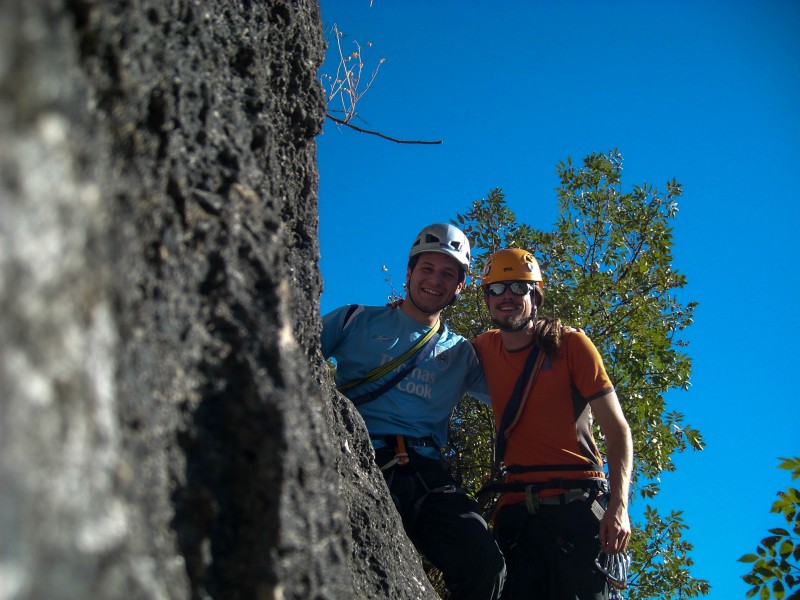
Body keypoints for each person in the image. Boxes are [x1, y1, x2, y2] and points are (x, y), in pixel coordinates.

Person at [321, 223, 505, 600]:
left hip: (422, 471)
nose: (434, 280)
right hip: (355, 451)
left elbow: (518, 399)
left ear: (460, 287)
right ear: (408, 273)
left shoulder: (462, 354)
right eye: (426, 269)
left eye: (447, 274)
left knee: (485, 564)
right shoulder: (354, 319)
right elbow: (292, 354)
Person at [473, 248, 633, 600]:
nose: (508, 297)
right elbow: (432, 349)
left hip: (575, 511)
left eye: (518, 287)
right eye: (497, 289)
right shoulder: (483, 348)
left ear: (536, 294)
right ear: (486, 298)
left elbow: (617, 428)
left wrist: (619, 507)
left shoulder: (569, 345)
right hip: (518, 519)